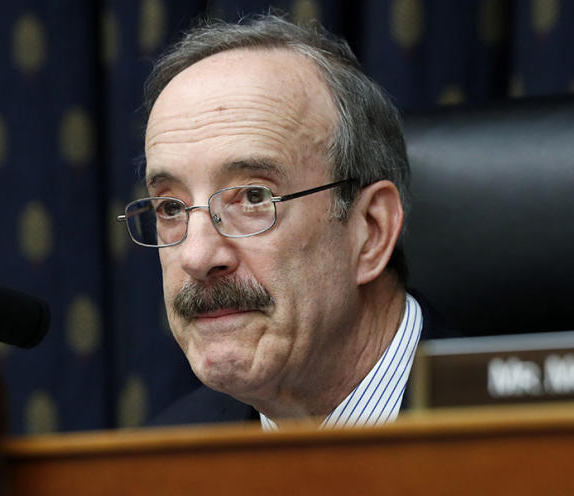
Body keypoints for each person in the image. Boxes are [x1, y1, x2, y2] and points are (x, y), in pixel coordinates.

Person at [121, 15, 453, 429]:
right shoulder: (164, 458)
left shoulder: (534, 428)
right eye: (170, 208)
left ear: (370, 230)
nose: (197, 255)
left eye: (254, 197)